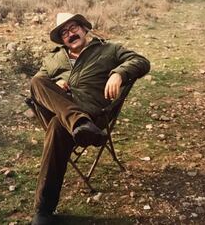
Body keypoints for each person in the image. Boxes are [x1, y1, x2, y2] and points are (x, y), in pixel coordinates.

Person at [30, 13, 150, 225]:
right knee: (37, 81)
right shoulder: (52, 58)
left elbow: (141, 61)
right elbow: (40, 86)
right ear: (61, 39)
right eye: (64, 33)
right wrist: (56, 82)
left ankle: (43, 213)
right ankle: (78, 123)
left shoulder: (109, 49)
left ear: (85, 29)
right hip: (64, 112)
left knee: (58, 125)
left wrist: (119, 73)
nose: (70, 34)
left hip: (94, 113)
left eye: (73, 27)